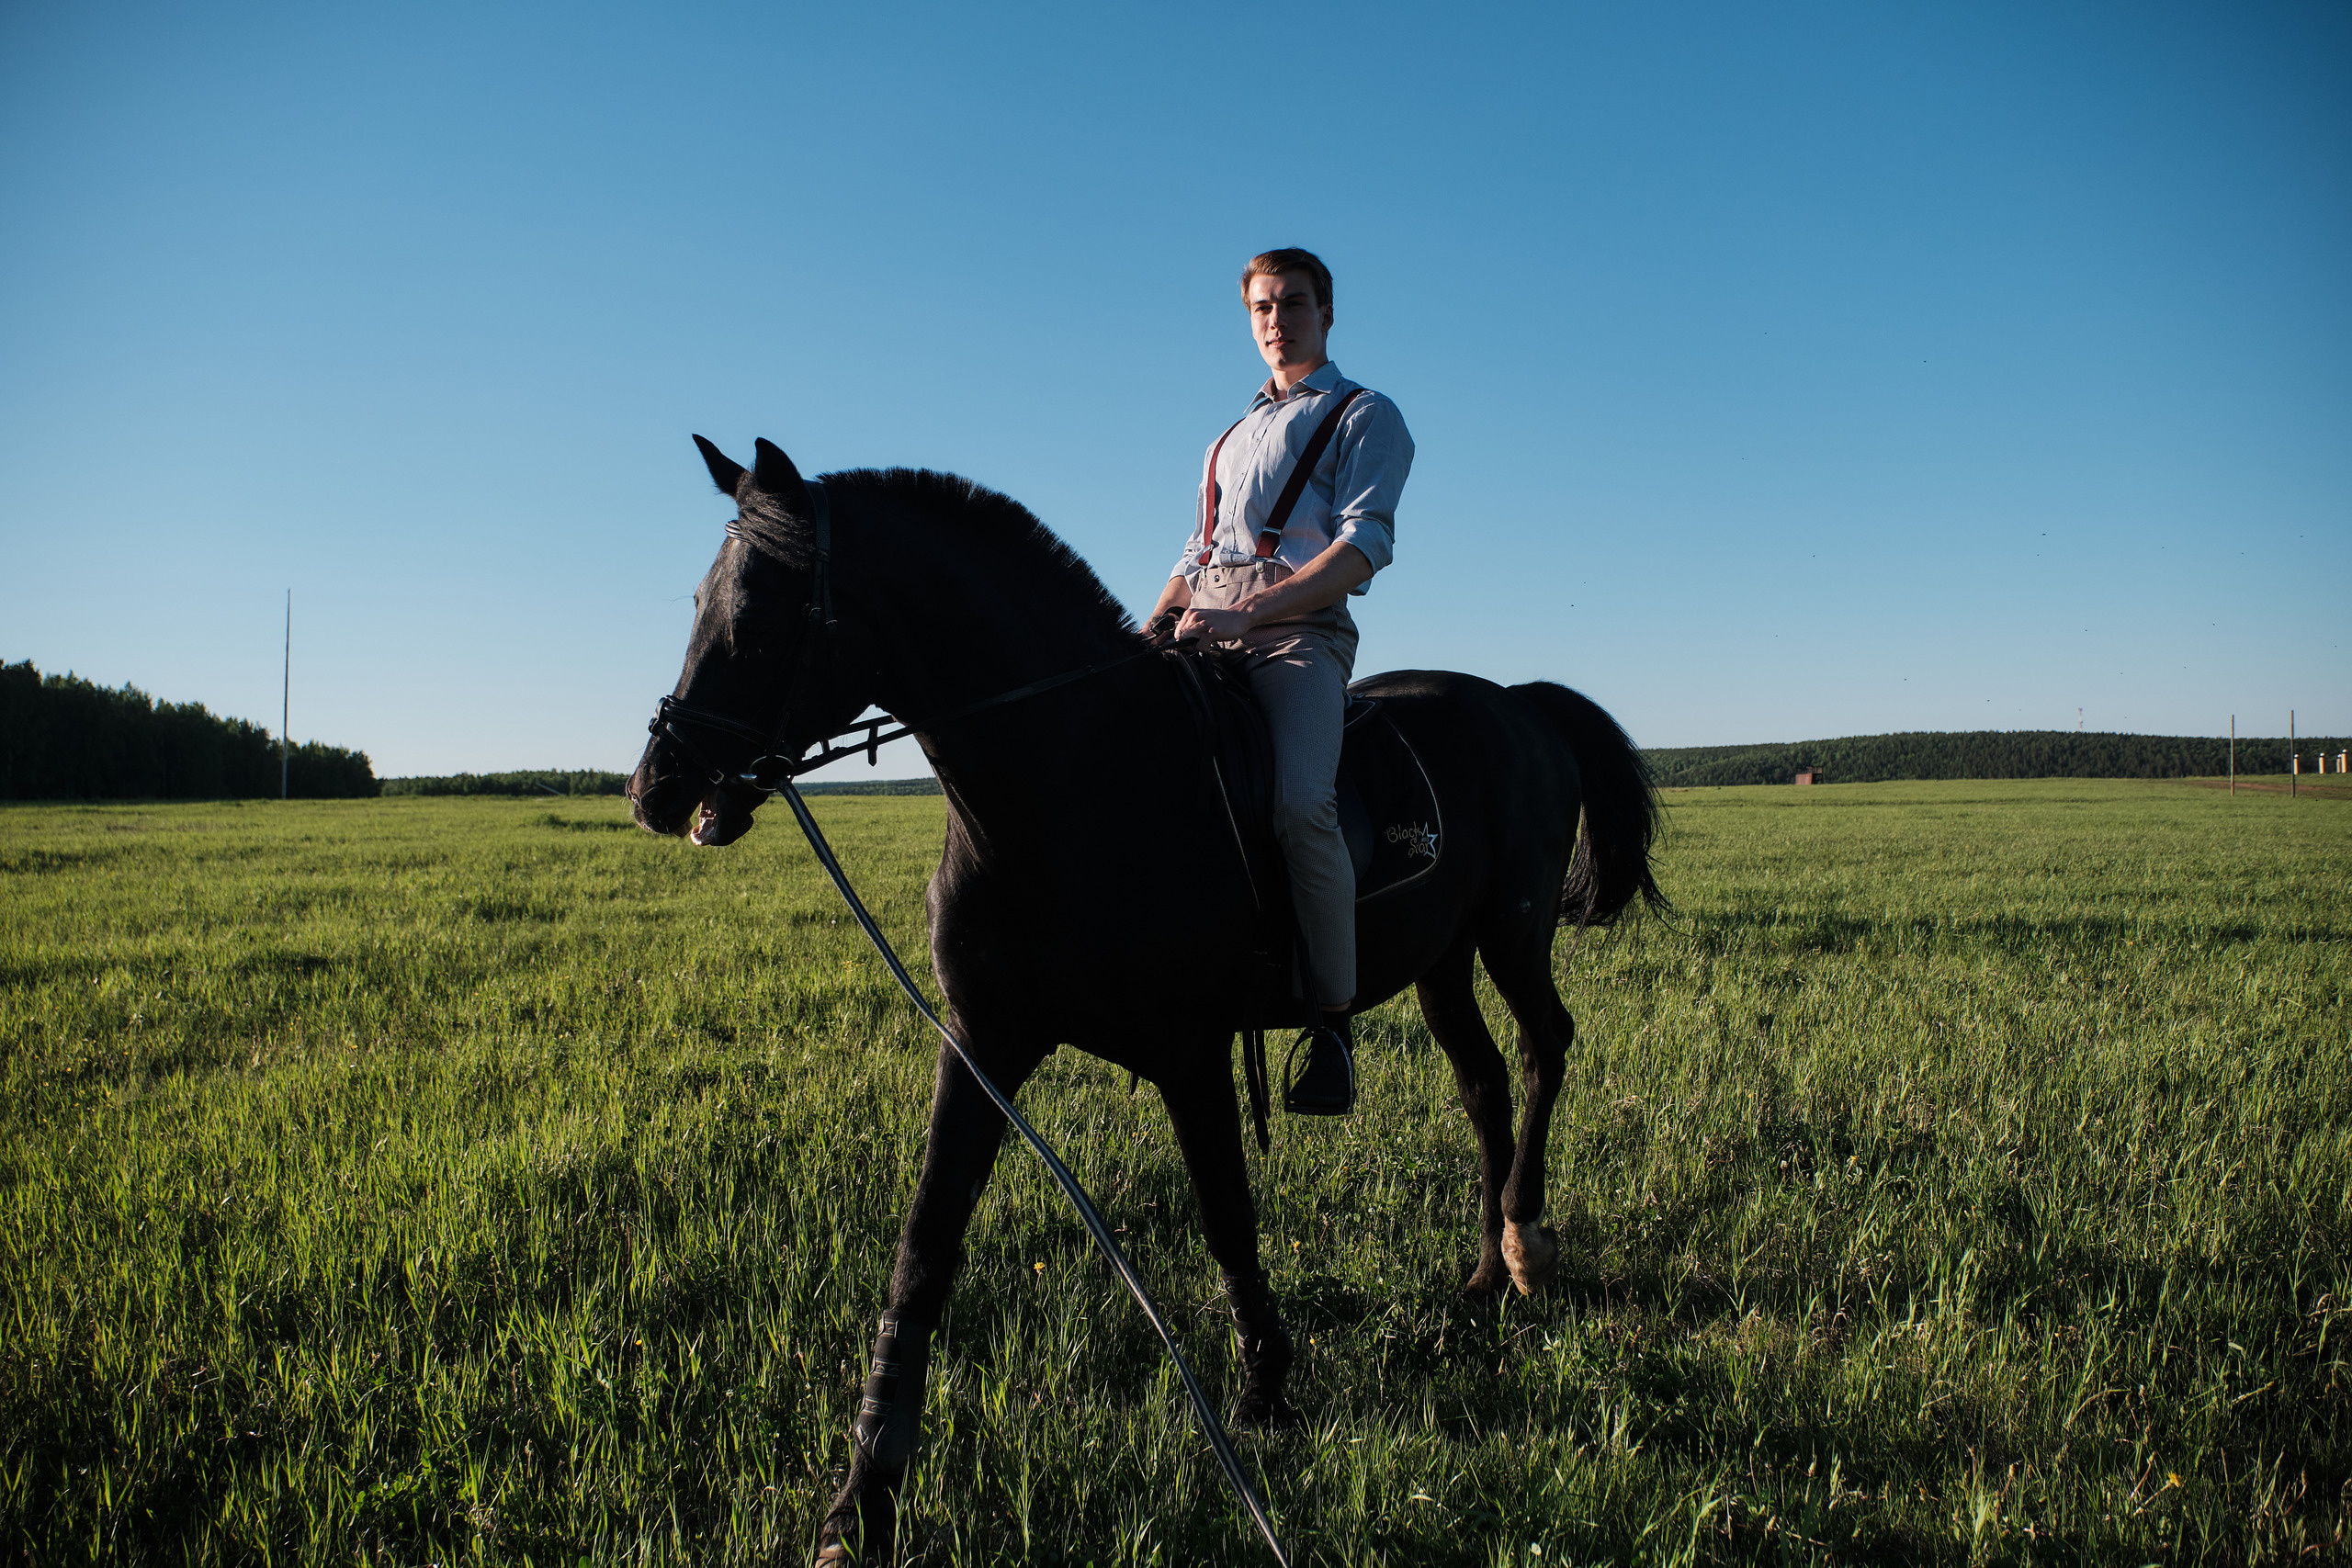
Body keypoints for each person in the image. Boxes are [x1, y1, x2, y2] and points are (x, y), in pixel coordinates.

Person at [1142, 247, 1414, 1115]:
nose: (1275, 319)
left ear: (1325, 313)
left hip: (1298, 637)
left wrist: (1250, 615)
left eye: (1292, 303)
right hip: (1202, 629)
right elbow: (1197, 555)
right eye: (1261, 306)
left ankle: (1331, 1024)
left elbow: (1362, 546)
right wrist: (1146, 630)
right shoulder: (1226, 438)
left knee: (1303, 803)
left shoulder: (1365, 413)